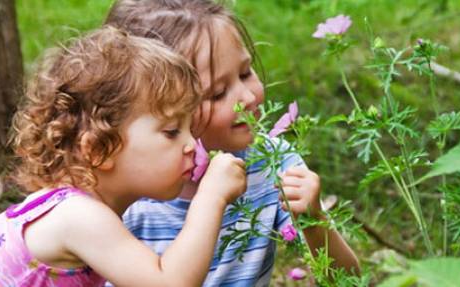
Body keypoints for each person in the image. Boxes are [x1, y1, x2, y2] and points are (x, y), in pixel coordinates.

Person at [105, 1, 360, 285]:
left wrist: (315, 222)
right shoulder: (128, 196)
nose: (247, 98)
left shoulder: (273, 165)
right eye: (217, 94)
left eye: (245, 73)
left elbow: (347, 280)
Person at [0, 26, 247, 286]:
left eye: (189, 128)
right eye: (171, 131)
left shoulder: (79, 208)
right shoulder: (78, 216)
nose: (192, 144)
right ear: (99, 150)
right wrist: (211, 197)